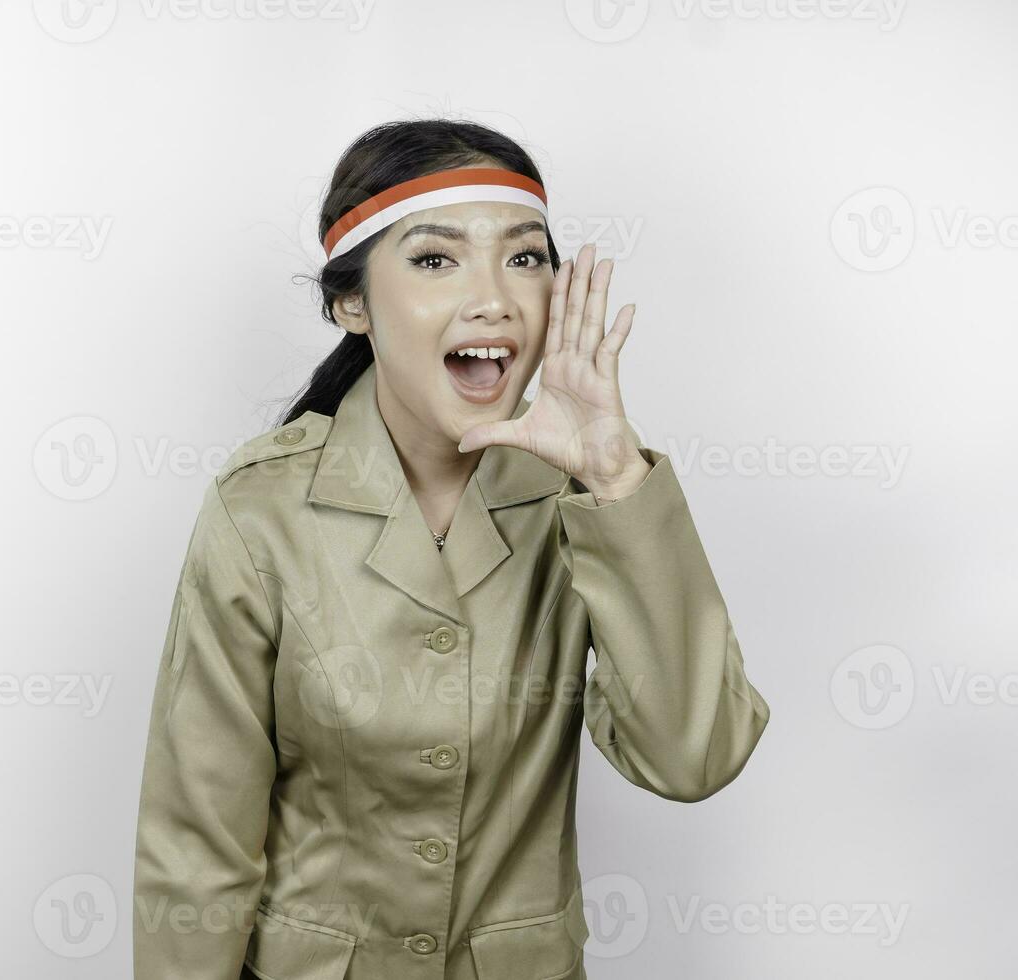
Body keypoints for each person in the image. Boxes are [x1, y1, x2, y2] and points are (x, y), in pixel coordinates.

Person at [133, 118, 771, 980]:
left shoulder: (581, 498)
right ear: (351, 302)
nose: (495, 300)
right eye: (436, 260)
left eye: (525, 257)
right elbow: (196, 844)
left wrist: (617, 479)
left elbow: (693, 757)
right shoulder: (261, 510)